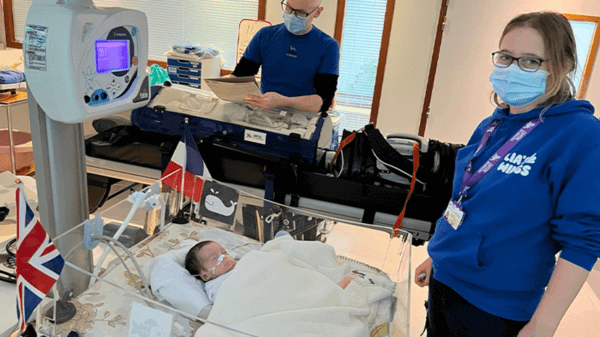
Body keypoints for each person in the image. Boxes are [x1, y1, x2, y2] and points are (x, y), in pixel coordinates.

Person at [414, 12, 600, 337]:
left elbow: (583, 241)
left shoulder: (580, 135)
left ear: (564, 65)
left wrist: (543, 324)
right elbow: (467, 200)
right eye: (505, 57)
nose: (512, 69)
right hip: (445, 281)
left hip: (496, 308)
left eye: (529, 61)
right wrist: (440, 256)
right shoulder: (491, 125)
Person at [230, 0, 340, 113]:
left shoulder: (328, 46)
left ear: (317, 12)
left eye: (301, 13)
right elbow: (241, 75)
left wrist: (283, 101)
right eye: (289, 8)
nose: (292, 15)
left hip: (302, 119)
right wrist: (221, 84)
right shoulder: (265, 35)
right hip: (264, 113)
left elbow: (324, 101)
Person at [185, 236, 358, 303]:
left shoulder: (246, 261)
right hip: (264, 292)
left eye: (224, 252)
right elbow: (233, 299)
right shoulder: (214, 287)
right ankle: (328, 294)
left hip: (276, 276)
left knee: (292, 264)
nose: (224, 257)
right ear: (205, 275)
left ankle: (325, 287)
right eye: (215, 258)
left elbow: (271, 263)